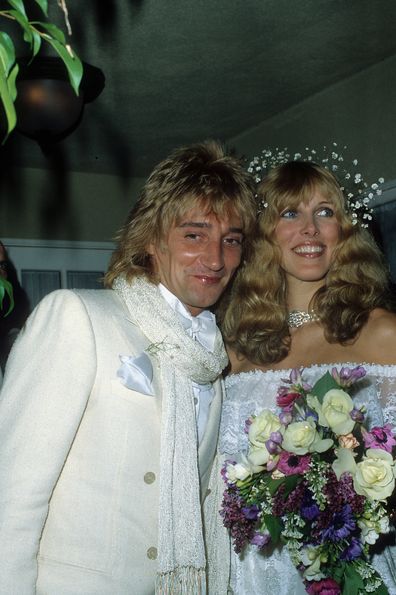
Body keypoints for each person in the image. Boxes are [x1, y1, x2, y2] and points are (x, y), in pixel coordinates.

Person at [0, 140, 257, 594]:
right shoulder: (78, 317)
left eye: (230, 240)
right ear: (152, 239)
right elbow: (11, 498)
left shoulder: (212, 358)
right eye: (194, 235)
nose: (215, 259)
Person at [205, 160, 396, 594]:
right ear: (265, 232)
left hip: (349, 567)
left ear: (344, 231)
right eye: (290, 214)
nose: (309, 229)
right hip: (247, 571)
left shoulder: (384, 333)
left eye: (325, 212)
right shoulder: (232, 349)